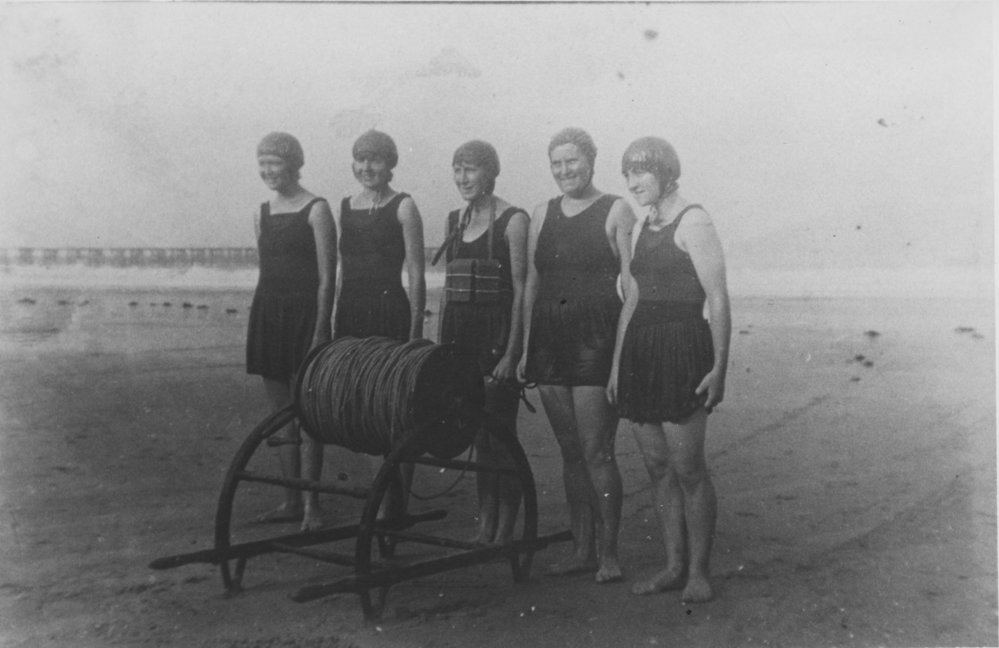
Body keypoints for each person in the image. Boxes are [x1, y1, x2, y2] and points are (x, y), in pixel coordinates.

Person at [607, 136, 731, 603]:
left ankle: (699, 571)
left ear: (665, 173)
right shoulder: (642, 225)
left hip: (682, 351)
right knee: (657, 467)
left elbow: (717, 296)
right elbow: (633, 299)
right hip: (641, 352)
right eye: (627, 175)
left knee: (689, 468)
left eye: (641, 173)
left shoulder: (693, 220)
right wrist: (618, 365)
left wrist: (719, 367)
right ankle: (673, 565)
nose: (633, 183)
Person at [517, 127, 636, 583]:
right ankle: (581, 549)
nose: (565, 171)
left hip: (595, 339)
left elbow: (632, 288)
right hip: (549, 338)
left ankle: (609, 554)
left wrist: (624, 356)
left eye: (573, 162)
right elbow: (531, 282)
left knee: (597, 452)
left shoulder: (616, 209)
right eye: (557, 164)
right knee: (570, 453)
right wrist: (528, 345)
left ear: (591, 160)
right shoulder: (541, 212)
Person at [435, 140, 528, 545]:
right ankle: (485, 520)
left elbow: (525, 290)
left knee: (501, 437)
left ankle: (506, 525)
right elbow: (447, 290)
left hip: (495, 337)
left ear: (490, 172)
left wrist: (513, 352)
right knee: (477, 435)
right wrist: (440, 346)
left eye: (471, 169)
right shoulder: (455, 219)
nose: (463, 178)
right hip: (461, 338)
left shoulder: (513, 220)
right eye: (457, 169)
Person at [246, 131, 337, 532]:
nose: (268, 171)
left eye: (275, 163)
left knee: (309, 414)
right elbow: (266, 271)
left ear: (294, 164)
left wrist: (320, 329)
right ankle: (289, 499)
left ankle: (313, 507)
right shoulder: (260, 211)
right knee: (281, 414)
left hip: (305, 319)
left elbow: (327, 278)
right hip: (269, 314)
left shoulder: (317, 209)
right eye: (262, 163)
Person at [333, 129, 426, 517]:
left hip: (389, 310)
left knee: (394, 406)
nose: (367, 167)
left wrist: (416, 332)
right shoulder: (345, 206)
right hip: (353, 312)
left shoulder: (403, 206)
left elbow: (417, 275)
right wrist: (337, 317)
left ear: (390, 164)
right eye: (361, 159)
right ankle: (384, 492)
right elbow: (342, 271)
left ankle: (397, 499)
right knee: (364, 407)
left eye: (376, 159)